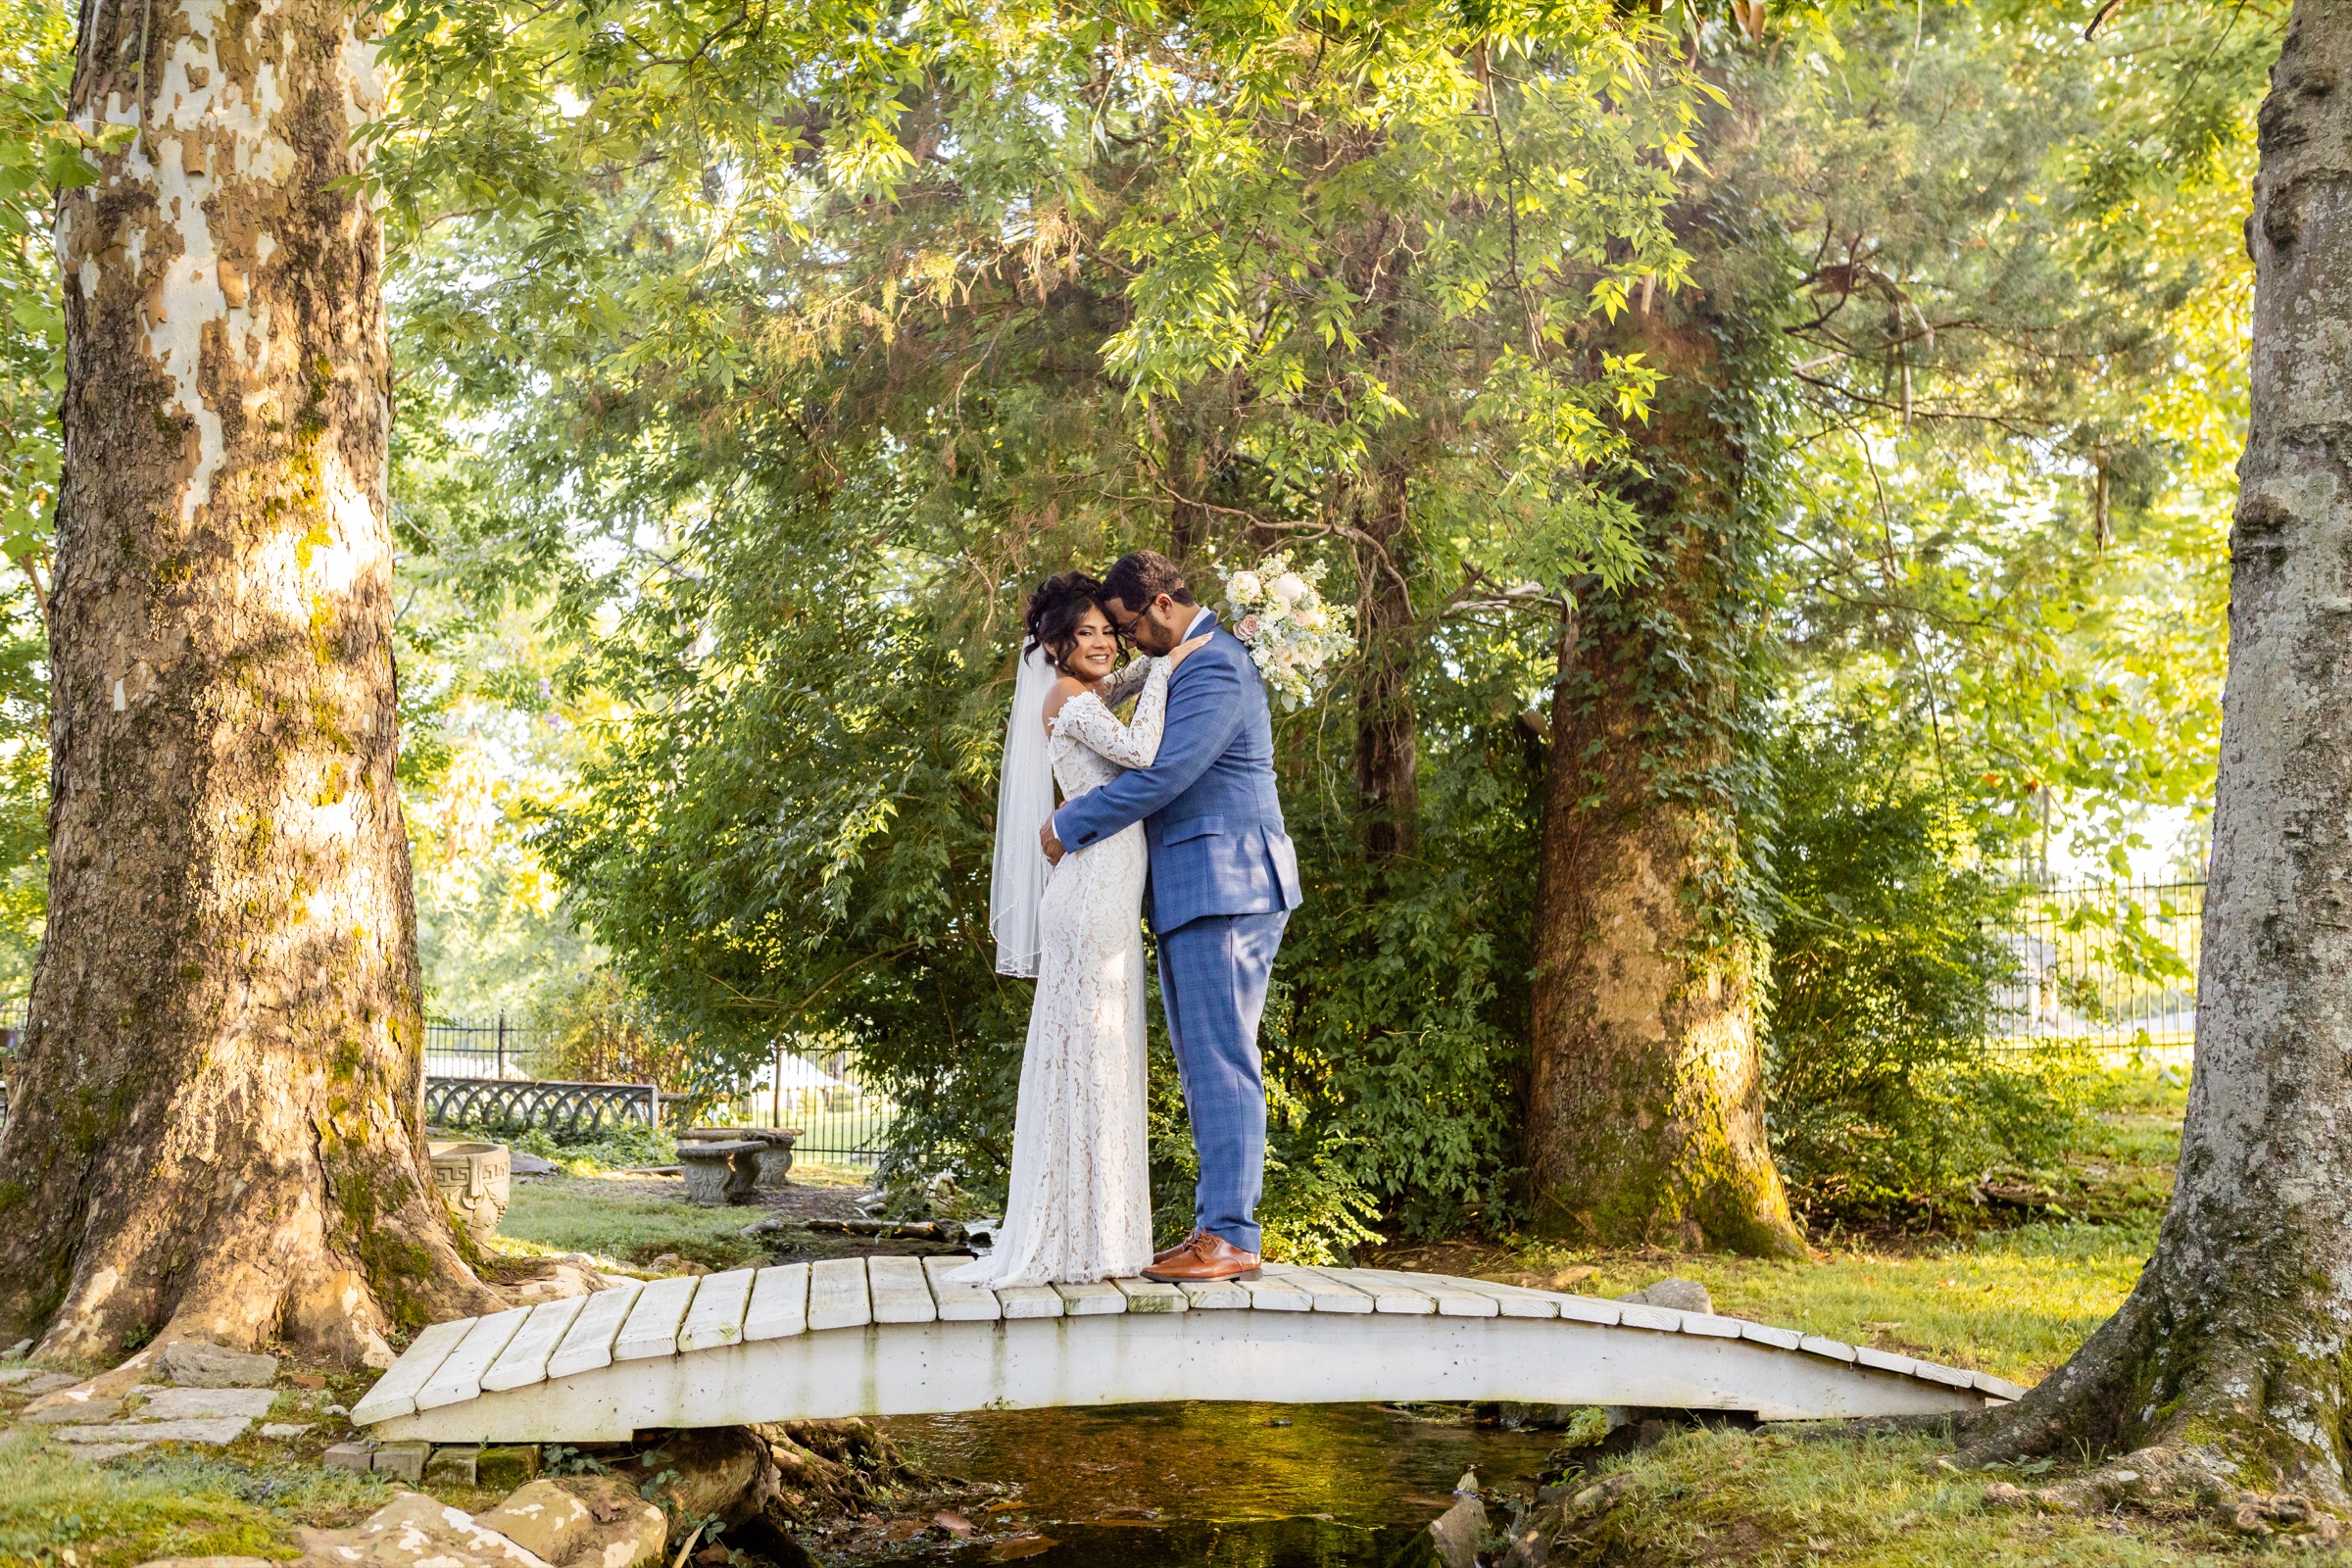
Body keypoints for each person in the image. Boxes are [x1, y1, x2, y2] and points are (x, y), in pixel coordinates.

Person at [1042, 550, 1303, 1285]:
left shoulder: (1213, 664)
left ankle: (1231, 1235)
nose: (1126, 644)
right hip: (1198, 886)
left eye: (1126, 627)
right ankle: (1214, 1227)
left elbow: (1165, 774)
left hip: (1228, 881)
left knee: (1221, 1059)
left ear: (1159, 605)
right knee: (1204, 1063)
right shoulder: (1187, 660)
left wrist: (1072, 823)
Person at [960, 572, 1208, 1287]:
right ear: (1054, 645)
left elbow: (1125, 678)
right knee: (1089, 1058)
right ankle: (1079, 1239)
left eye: (1107, 629)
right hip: (1091, 893)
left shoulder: (1085, 692)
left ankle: (1094, 1234)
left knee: (1097, 1054)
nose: (1101, 643)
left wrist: (1167, 653)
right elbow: (1141, 753)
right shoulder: (1069, 703)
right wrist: (1167, 666)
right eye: (1085, 634)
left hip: (1101, 889)